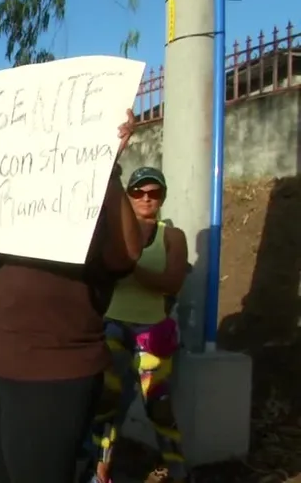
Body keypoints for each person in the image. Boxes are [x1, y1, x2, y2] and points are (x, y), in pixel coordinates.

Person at [0, 110, 141, 483]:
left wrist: (109, 167)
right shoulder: (20, 201)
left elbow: (128, 253)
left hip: (56, 371)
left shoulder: (101, 204)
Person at [87, 167, 189, 483]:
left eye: (154, 193)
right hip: (113, 327)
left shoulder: (172, 235)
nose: (146, 198)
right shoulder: (109, 231)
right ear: (128, 196)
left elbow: (172, 283)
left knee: (159, 409)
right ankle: (98, 472)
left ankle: (179, 473)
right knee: (106, 405)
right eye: (139, 192)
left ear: (163, 198)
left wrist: (130, 266)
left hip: (152, 332)